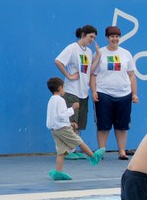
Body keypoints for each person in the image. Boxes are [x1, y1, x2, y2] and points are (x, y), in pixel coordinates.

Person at [90, 25, 138, 160]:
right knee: (103, 126)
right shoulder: (99, 53)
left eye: (117, 36)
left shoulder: (126, 54)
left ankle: (122, 152)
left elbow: (132, 75)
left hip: (124, 94)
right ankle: (101, 152)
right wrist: (93, 91)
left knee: (122, 126)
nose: (115, 39)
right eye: (112, 36)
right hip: (103, 93)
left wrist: (134, 93)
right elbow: (93, 74)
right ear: (107, 38)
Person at [45, 77, 105, 180]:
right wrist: (72, 108)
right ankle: (93, 156)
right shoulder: (60, 100)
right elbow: (62, 115)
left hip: (55, 130)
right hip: (63, 129)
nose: (64, 90)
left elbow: (55, 117)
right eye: (64, 88)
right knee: (79, 141)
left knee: (61, 152)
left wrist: (70, 123)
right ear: (60, 88)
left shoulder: (51, 100)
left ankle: (58, 172)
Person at [54, 25, 98, 159]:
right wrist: (68, 76)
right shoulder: (72, 48)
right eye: (91, 37)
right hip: (72, 91)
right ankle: (67, 151)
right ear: (83, 35)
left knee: (78, 123)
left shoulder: (88, 51)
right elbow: (58, 61)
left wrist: (99, 55)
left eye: (94, 38)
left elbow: (90, 71)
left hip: (83, 92)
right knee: (70, 122)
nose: (92, 40)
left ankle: (73, 149)